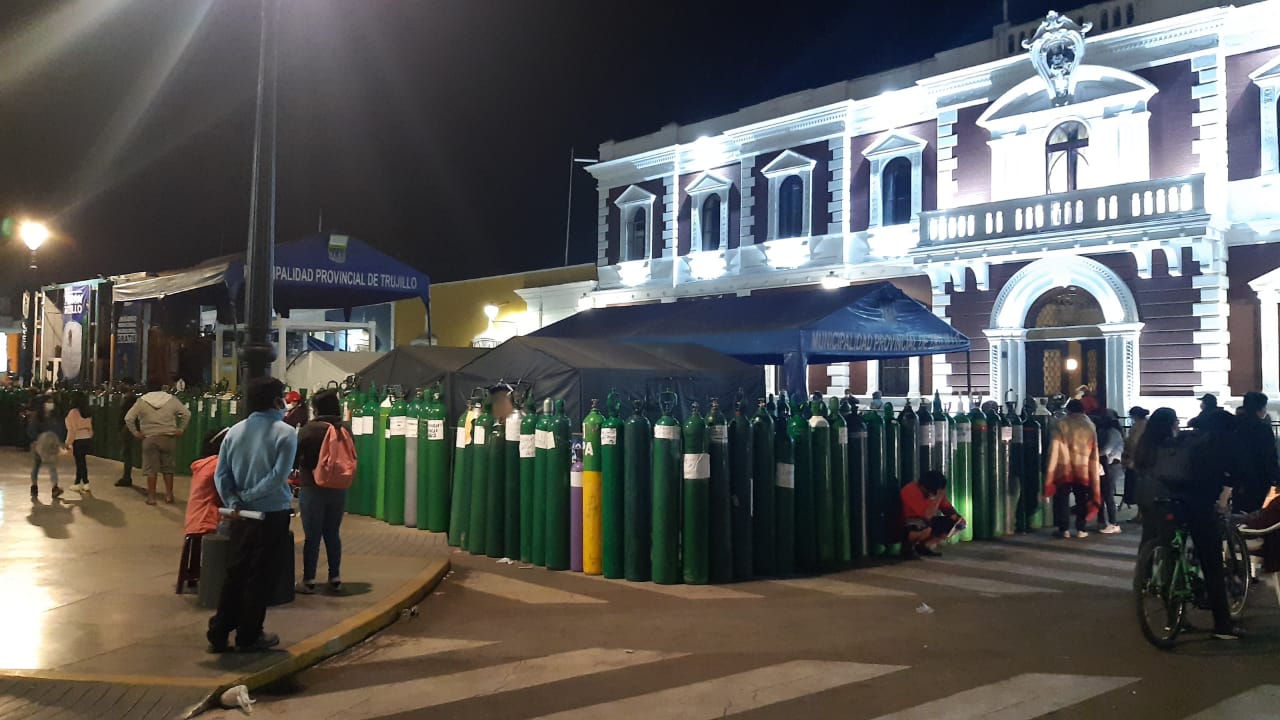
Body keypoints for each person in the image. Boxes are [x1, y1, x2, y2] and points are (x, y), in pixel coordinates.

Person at [1132, 407, 1240, 640]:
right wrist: (1221, 498)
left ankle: (1174, 618)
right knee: (1211, 561)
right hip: (1196, 504)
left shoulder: (1166, 441)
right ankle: (1222, 625)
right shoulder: (1207, 443)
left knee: (1170, 554)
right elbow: (1218, 476)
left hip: (1162, 503)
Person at [208, 376, 297, 653]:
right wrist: (249, 496)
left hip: (239, 516)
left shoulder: (234, 432)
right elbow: (278, 477)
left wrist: (234, 501)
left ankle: (219, 631)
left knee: (236, 572)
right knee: (261, 576)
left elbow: (221, 474)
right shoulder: (286, 433)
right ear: (277, 400)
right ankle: (249, 634)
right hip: (272, 514)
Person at [293, 389, 350, 593]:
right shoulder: (345, 429)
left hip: (312, 487)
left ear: (316, 409)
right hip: (338, 487)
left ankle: (309, 580)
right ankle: (335, 577)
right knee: (333, 534)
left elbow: (295, 456)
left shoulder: (310, 430)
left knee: (312, 536)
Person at [124, 380, 189, 505]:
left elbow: (128, 418)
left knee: (151, 470)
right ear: (162, 387)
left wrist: (136, 432)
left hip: (149, 438)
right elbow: (186, 414)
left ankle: (152, 497)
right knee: (168, 468)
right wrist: (181, 429)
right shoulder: (171, 399)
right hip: (168, 438)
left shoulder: (142, 401)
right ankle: (169, 495)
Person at [1045, 399, 1101, 538]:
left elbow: (1054, 447)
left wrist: (1050, 467)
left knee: (1062, 498)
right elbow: (1094, 449)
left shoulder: (1061, 424)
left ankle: (1064, 529)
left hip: (1064, 467)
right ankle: (1081, 528)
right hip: (1083, 467)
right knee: (1081, 498)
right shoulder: (1090, 426)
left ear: (1068, 410)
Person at [181, 428, 229, 593]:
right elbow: (227, 490)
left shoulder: (203, 464)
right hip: (208, 518)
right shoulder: (216, 464)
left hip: (195, 518)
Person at [899, 470, 965, 557]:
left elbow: (947, 509)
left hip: (925, 521)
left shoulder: (935, 491)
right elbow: (926, 516)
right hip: (907, 523)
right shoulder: (911, 490)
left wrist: (958, 518)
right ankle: (908, 548)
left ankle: (925, 546)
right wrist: (938, 497)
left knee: (957, 524)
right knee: (924, 526)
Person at [1232, 391, 1279, 513]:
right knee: (1254, 511)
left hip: (1236, 475)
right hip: (1258, 476)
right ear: (1261, 408)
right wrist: (1276, 476)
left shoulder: (1233, 426)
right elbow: (1269, 456)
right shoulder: (1263, 428)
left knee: (1238, 509)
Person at [27, 395, 67, 500]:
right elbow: (31, 430)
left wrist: (59, 442)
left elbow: (58, 430)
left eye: (51, 402)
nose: (50, 404)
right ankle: (35, 485)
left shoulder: (53, 417)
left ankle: (53, 487)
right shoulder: (38, 417)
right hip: (39, 444)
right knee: (38, 466)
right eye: (48, 402)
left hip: (49, 445)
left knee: (50, 466)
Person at [1095, 410, 1124, 534]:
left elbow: (1106, 449)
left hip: (1111, 466)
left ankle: (1113, 523)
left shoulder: (1113, 433)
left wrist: (1093, 453)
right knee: (1104, 494)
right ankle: (1103, 520)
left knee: (1107, 494)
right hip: (1107, 465)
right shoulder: (1109, 432)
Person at [64, 393, 95, 494]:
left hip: (78, 439)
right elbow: (90, 427)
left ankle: (84, 482)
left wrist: (68, 442)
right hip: (86, 438)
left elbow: (72, 430)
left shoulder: (73, 412)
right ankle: (79, 483)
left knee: (80, 463)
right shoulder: (87, 412)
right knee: (82, 462)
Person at [1121, 406, 1149, 517]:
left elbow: (1133, 442)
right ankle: (1140, 514)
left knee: (1137, 487)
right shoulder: (1146, 424)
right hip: (1142, 458)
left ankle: (1140, 514)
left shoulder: (1138, 426)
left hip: (1136, 459)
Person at [116, 380, 139, 487]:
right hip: (126, 428)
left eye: (123, 383)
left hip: (128, 428)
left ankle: (126, 477)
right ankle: (126, 476)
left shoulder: (130, 398)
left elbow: (126, 415)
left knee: (127, 453)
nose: (120, 385)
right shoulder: (127, 397)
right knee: (126, 453)